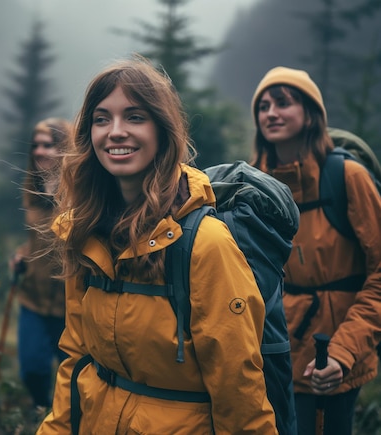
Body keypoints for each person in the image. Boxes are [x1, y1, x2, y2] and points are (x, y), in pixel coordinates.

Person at [36, 56, 277, 434]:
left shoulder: (204, 243)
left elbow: (238, 387)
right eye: (102, 118)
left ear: (162, 131)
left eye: (134, 117)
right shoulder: (85, 233)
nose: (115, 131)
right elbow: (76, 357)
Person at [250, 66, 381, 435]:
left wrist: (342, 352)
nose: (270, 112)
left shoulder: (346, 177)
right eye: (262, 106)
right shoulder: (253, 182)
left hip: (333, 361)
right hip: (271, 355)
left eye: (283, 102)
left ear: (310, 115)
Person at [11, 117, 72, 411]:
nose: (39, 151)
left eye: (48, 145)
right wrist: (22, 255)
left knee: (71, 377)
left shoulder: (81, 194)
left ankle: (65, 420)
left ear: (65, 148)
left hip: (68, 305)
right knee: (32, 368)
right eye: (35, 145)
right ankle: (41, 410)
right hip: (33, 298)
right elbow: (37, 241)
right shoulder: (33, 190)